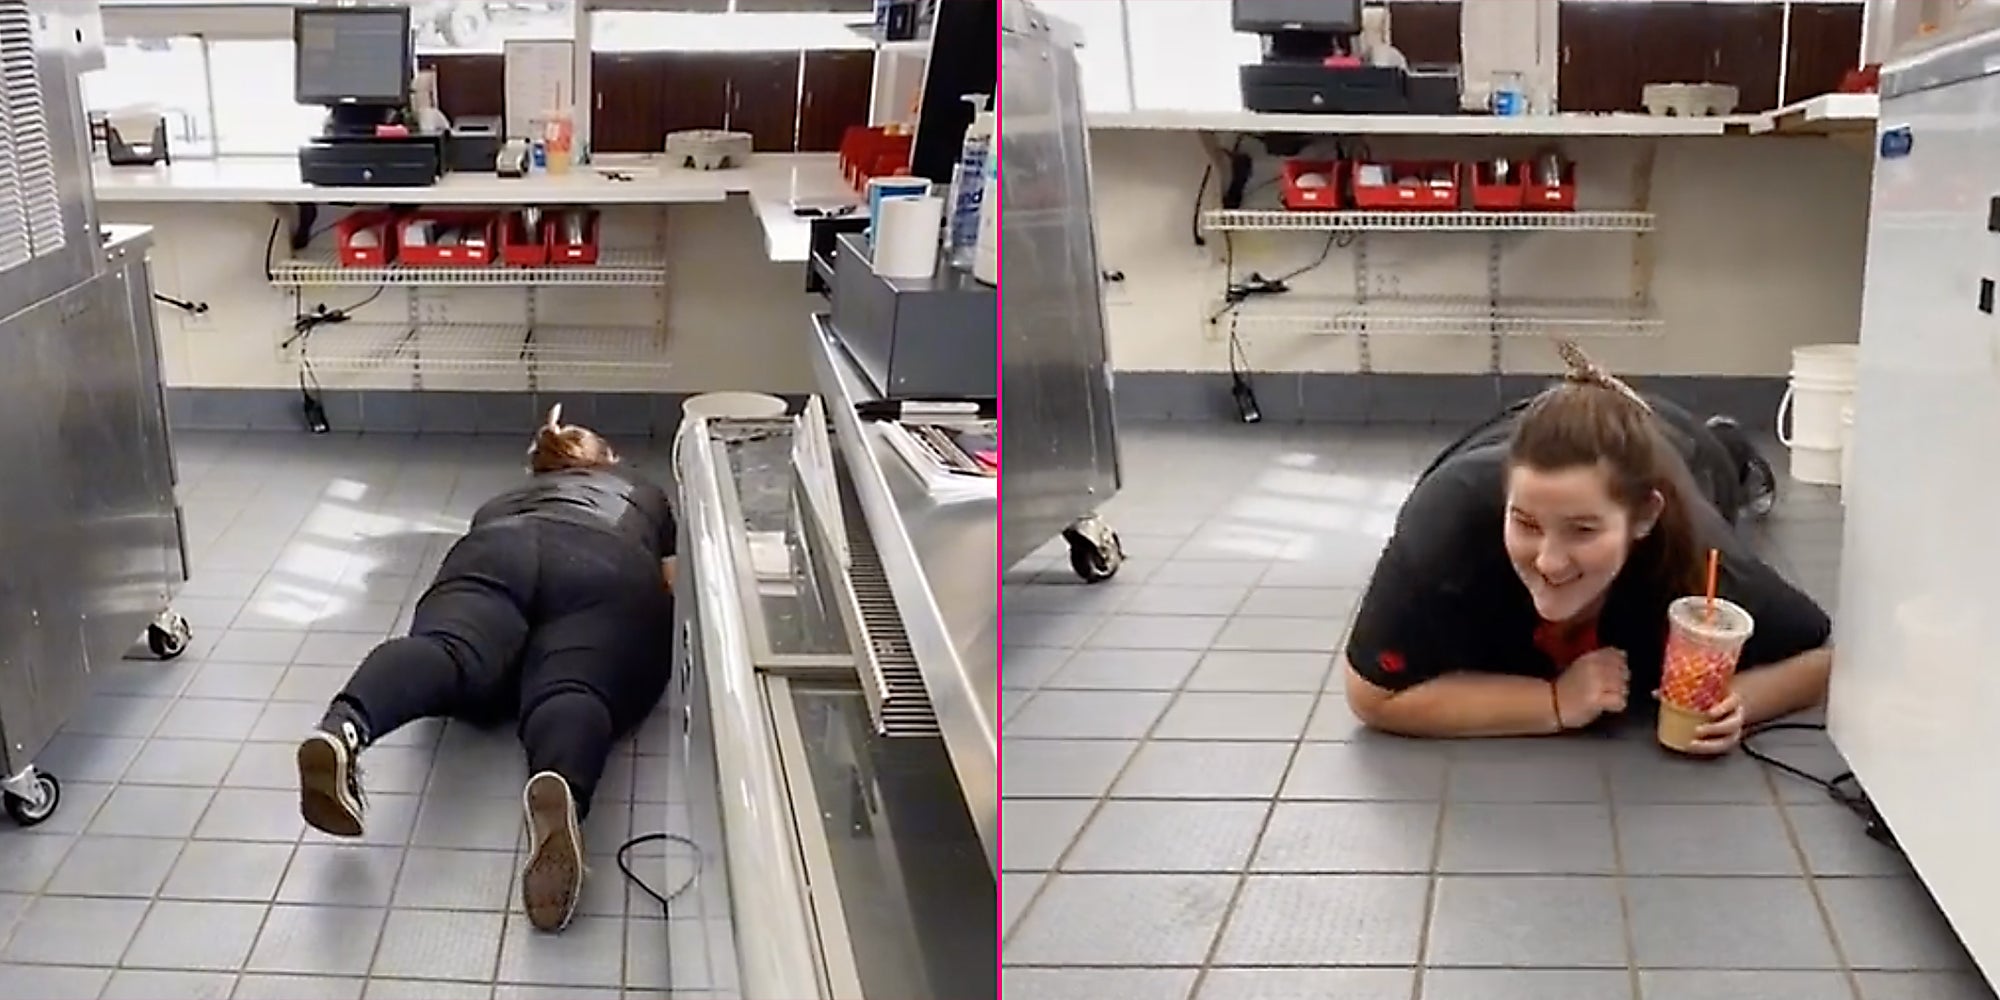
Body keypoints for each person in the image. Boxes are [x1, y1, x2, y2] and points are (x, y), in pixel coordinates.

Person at [295, 405, 678, 933]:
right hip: (607, 562)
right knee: (575, 683)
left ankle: (343, 729)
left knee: (449, 650)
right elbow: (673, 576)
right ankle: (559, 783)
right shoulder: (640, 491)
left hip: (497, 550)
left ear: (540, 472)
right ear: (605, 460)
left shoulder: (502, 503)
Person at [1343, 343, 1833, 754]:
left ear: (1643, 520)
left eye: (1582, 531)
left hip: (1683, 446)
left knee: (1720, 461)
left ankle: (1732, 446)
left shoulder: (1692, 553)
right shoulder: (1447, 526)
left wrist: (1741, 700)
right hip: (1512, 434)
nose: (1549, 560)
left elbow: (1823, 658)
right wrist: (1553, 702)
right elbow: (1372, 698)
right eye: (1526, 523)